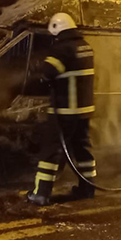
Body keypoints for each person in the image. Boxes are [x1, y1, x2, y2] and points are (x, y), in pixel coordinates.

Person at [26, 12, 97, 206]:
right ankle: (87, 189)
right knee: (82, 149)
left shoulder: (61, 49)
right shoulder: (85, 46)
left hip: (65, 111)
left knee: (50, 151)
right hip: (84, 110)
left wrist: (38, 66)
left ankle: (40, 193)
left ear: (57, 29)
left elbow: (46, 73)